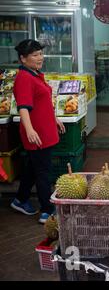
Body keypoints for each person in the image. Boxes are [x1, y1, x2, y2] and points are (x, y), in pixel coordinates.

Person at [10, 39, 65, 224]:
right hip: (38, 135)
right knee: (43, 172)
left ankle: (20, 199)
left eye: (41, 53)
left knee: (33, 169)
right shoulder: (24, 78)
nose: (40, 57)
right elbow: (23, 107)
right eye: (35, 55)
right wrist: (30, 130)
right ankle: (47, 211)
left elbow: (42, 102)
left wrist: (54, 118)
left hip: (45, 131)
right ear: (23, 58)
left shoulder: (35, 74)